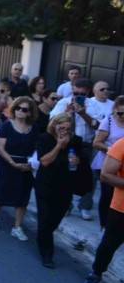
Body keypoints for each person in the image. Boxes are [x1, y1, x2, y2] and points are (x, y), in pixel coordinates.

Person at [35, 113, 91, 268]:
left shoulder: (76, 141)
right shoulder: (45, 138)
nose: (64, 130)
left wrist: (78, 161)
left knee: (55, 219)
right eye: (61, 127)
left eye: (68, 128)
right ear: (54, 125)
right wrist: (59, 146)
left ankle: (43, 236)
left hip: (66, 186)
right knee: (45, 218)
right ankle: (47, 254)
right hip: (45, 185)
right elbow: (44, 161)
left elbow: (82, 162)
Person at [0, 96, 39, 240]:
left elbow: (37, 148)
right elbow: (0, 147)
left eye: (24, 109)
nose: (20, 111)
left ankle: (17, 227)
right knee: (1, 192)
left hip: (26, 166)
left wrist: (30, 164)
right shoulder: (7, 125)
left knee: (23, 197)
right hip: (7, 163)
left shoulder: (34, 128)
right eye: (17, 108)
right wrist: (12, 163)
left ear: (29, 112)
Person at [51, 78, 99, 220]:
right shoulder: (63, 102)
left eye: (81, 94)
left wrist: (84, 114)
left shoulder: (94, 105)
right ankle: (67, 204)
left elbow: (98, 125)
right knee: (65, 174)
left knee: (89, 177)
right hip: (67, 142)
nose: (77, 96)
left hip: (86, 144)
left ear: (88, 93)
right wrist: (67, 114)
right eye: (75, 92)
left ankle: (85, 206)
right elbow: (52, 122)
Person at [82, 136, 124, 283]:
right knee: (108, 245)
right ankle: (95, 273)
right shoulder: (122, 144)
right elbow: (105, 174)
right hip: (121, 209)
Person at [90, 96, 124, 228]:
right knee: (108, 195)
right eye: (120, 113)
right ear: (115, 110)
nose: (122, 116)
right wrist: (112, 149)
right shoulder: (108, 121)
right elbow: (97, 143)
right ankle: (105, 225)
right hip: (108, 163)